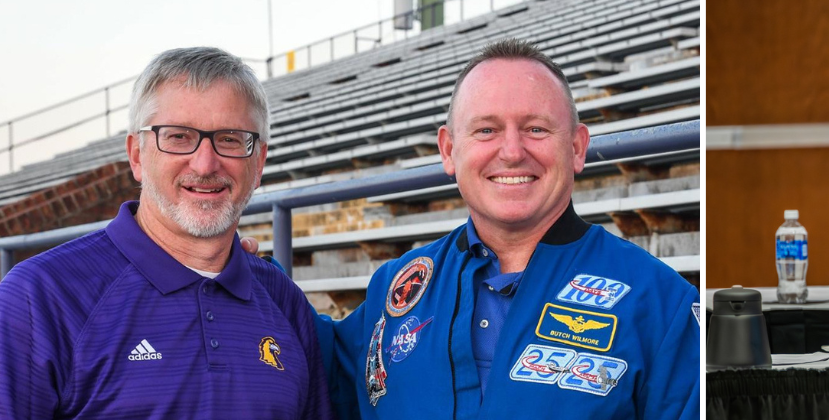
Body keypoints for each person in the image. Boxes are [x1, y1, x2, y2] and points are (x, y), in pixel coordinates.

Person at [320, 38, 700, 419]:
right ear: (449, 150)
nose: (513, 151)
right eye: (486, 130)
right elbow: (297, 366)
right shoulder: (394, 291)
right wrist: (258, 270)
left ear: (577, 148)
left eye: (536, 129)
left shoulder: (662, 304)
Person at [0, 47, 331, 419]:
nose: (205, 164)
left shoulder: (283, 300)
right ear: (137, 155)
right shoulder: (40, 296)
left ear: (258, 164)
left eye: (230, 139)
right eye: (177, 137)